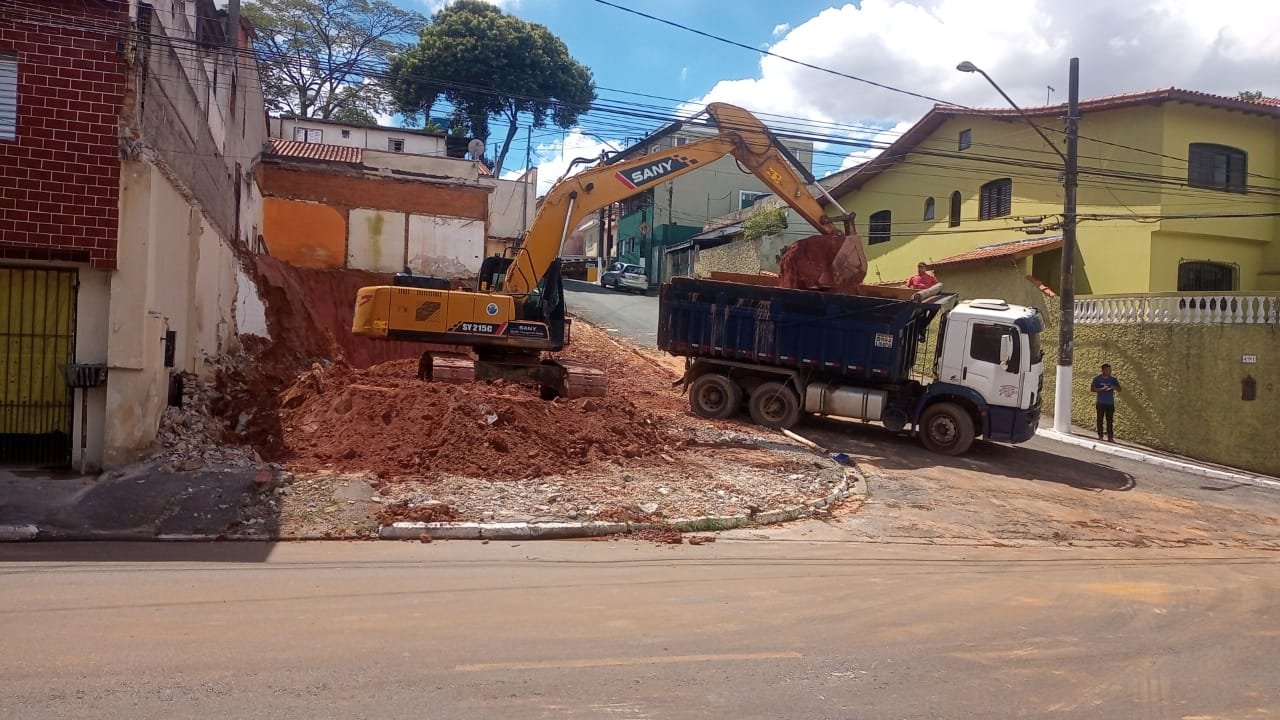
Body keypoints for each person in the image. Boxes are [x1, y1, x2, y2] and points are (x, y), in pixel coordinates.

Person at [1090, 363, 1122, 441]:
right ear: (1103, 370)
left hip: (1110, 403)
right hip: (1100, 402)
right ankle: (1100, 435)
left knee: (1110, 421)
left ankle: (1110, 437)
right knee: (1100, 420)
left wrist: (1114, 387)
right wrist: (1102, 389)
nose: (1109, 371)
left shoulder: (1113, 379)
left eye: (1110, 370)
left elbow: (1119, 389)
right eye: (1107, 370)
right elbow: (1092, 389)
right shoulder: (1097, 379)